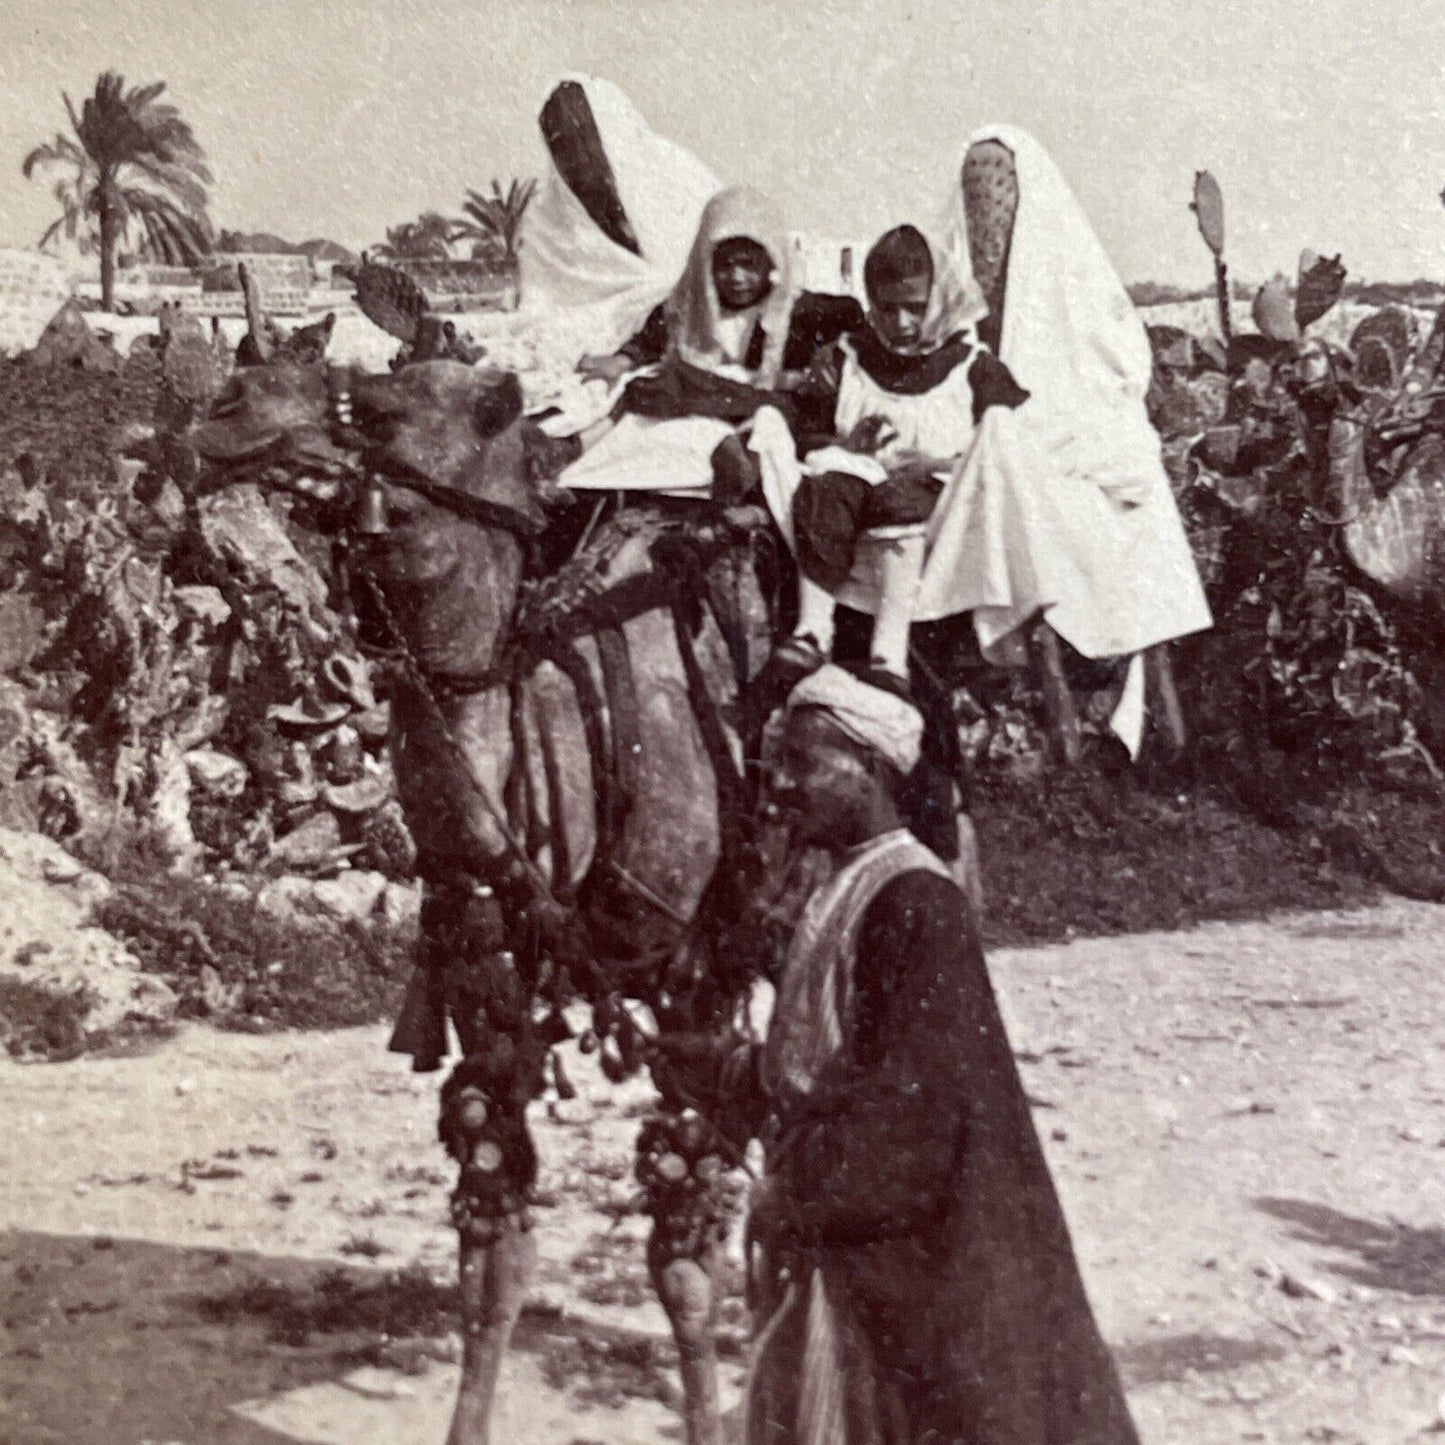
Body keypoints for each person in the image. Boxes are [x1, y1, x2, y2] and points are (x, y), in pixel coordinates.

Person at [732, 664, 1141, 1445]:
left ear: (874, 771)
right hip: (850, 1250)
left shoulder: (917, 901)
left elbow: (909, 1116)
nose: (779, 786)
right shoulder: (844, 884)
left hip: (908, 1270)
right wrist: (733, 1075)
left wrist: (801, 1182)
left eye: (802, 764)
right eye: (776, 763)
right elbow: (831, 1063)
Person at [770, 224, 1029, 691]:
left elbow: (1006, 444)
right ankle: (813, 629)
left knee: (897, 498)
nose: (902, 323)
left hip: (941, 505)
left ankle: (889, 655)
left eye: (915, 307)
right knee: (827, 486)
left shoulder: (973, 366)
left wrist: (932, 464)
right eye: (887, 309)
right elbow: (806, 432)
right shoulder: (845, 358)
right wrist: (843, 447)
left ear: (940, 298)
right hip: (852, 497)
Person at [558, 186, 861, 500]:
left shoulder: (797, 311)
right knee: (638, 404)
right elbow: (651, 338)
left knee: (755, 424)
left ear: (771, 262)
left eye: (749, 265)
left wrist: (831, 354)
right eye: (726, 265)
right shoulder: (691, 308)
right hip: (696, 407)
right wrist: (621, 361)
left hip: (755, 407)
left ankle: (740, 466)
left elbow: (852, 320)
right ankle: (579, 457)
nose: (737, 277)